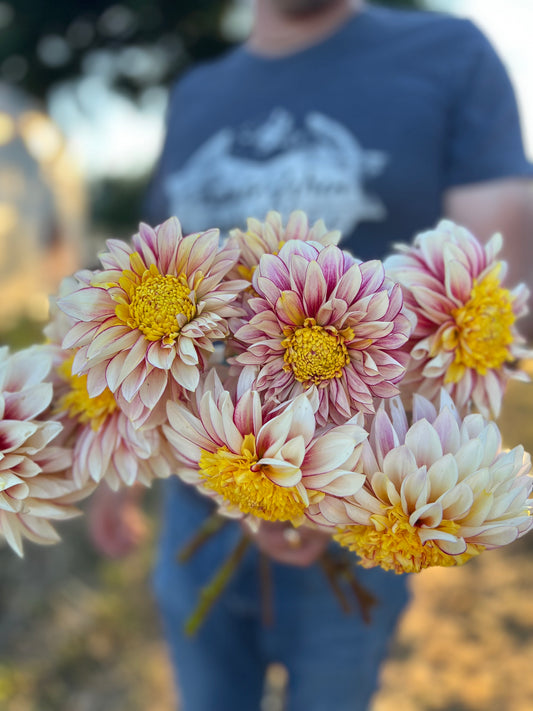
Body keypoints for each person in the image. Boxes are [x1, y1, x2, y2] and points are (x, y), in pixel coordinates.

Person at [89, 1, 533, 709]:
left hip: (366, 483)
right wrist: (118, 462)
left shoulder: (449, 52)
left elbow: (496, 281)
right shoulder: (198, 92)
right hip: (204, 472)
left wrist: (331, 489)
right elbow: (144, 270)